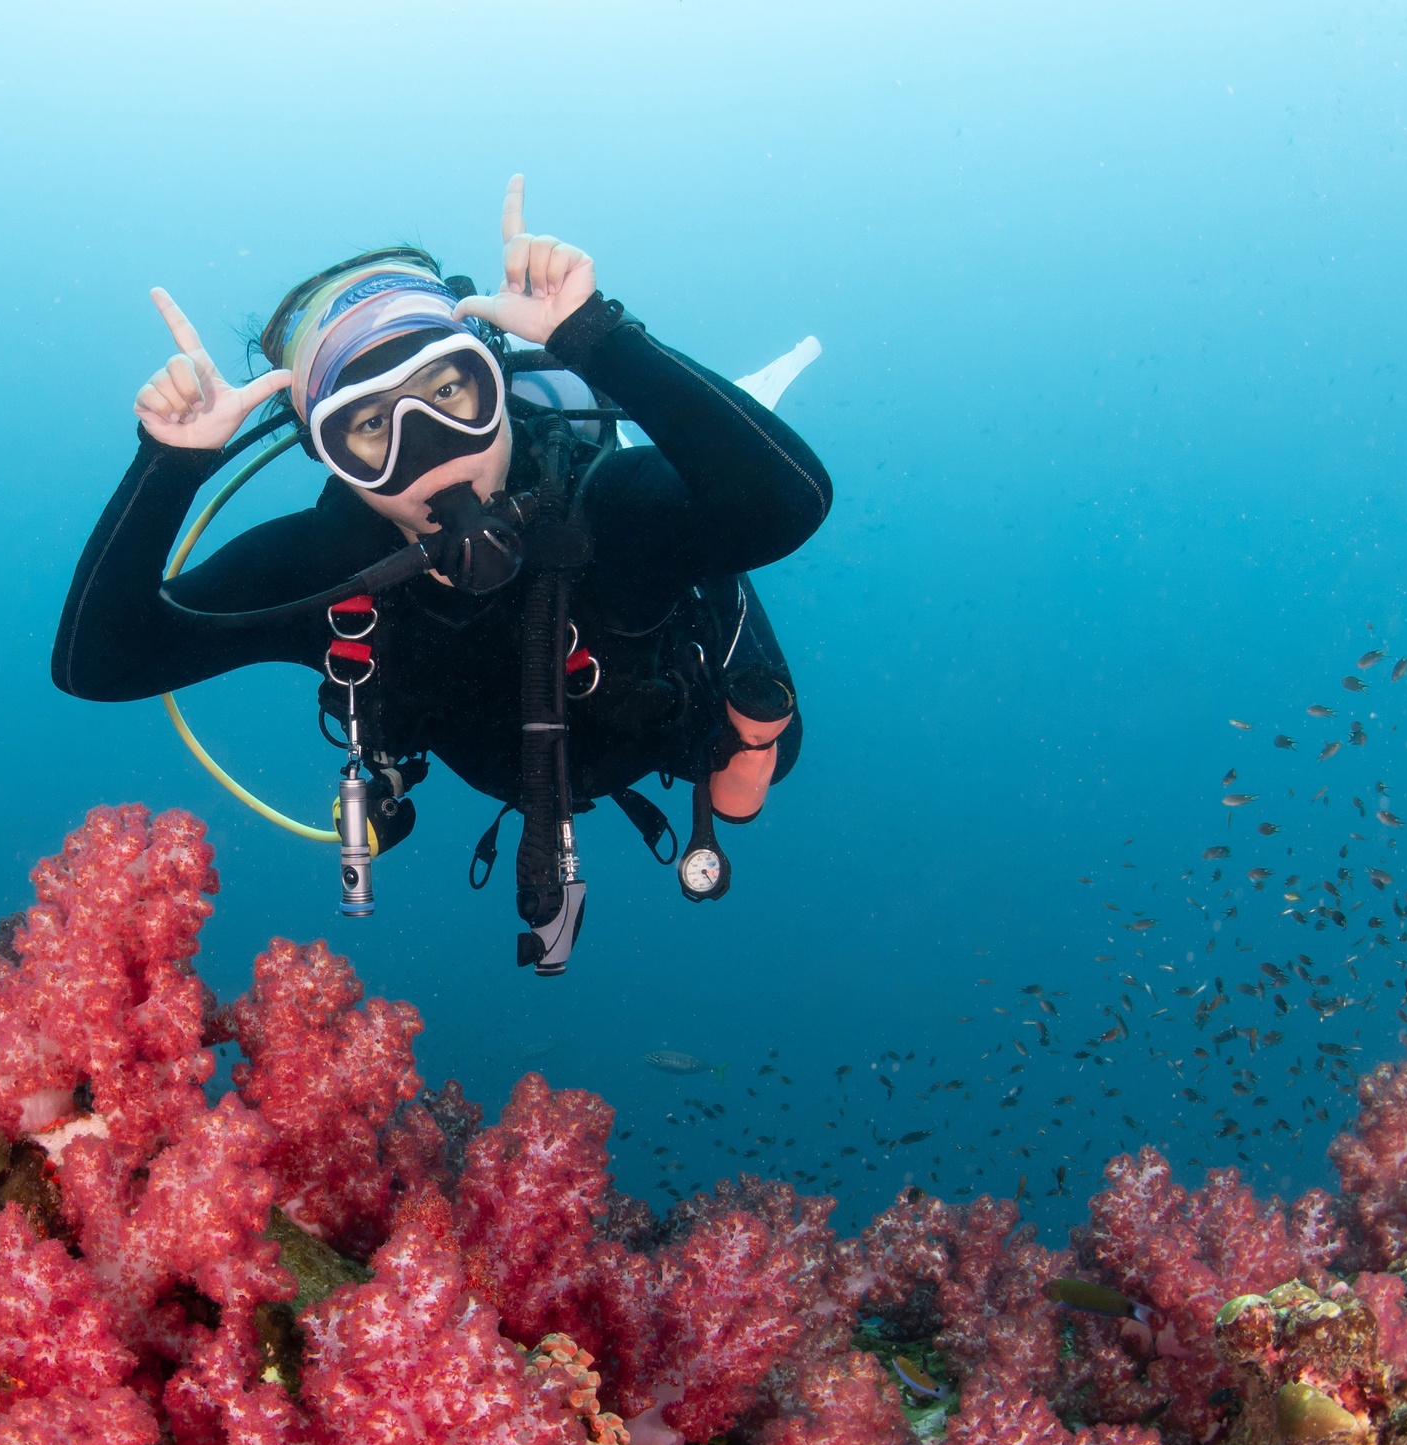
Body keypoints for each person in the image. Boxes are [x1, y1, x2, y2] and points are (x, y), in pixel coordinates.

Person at [51, 177, 833, 972]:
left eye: (449, 390)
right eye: (368, 426)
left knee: (757, 683)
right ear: (326, 454)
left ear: (493, 378)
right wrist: (168, 468)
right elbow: (101, 661)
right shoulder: (327, 569)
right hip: (517, 767)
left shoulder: (609, 507)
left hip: (673, 727)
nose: (428, 450)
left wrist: (600, 338)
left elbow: (787, 504)